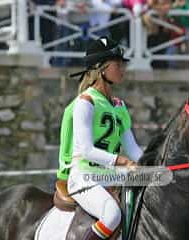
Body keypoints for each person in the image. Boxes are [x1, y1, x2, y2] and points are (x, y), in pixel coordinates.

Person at [57, 36, 143, 240]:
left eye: (123, 64)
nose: (122, 69)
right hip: (84, 176)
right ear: (101, 68)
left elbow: (133, 149)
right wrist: (122, 161)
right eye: (118, 64)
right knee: (112, 215)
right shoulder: (85, 102)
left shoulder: (119, 106)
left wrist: (155, 163)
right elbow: (86, 150)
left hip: (110, 176)